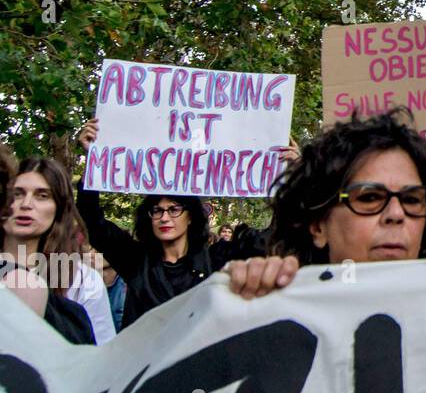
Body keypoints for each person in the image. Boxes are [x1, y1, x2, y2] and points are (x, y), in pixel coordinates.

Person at [75, 118, 292, 318]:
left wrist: (293, 177)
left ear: (191, 217)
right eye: (157, 211)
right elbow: (93, 223)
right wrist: (93, 160)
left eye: (174, 209)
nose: (164, 218)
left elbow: (272, 239)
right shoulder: (136, 260)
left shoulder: (216, 260)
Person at [265, 109, 426, 269]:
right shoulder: (265, 305)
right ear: (318, 226)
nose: (396, 214)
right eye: (369, 198)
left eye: (412, 200)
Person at [4, 157, 115, 343]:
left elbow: (101, 356)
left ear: (59, 208)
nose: (26, 204)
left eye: (42, 196)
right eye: (17, 193)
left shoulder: (83, 280)